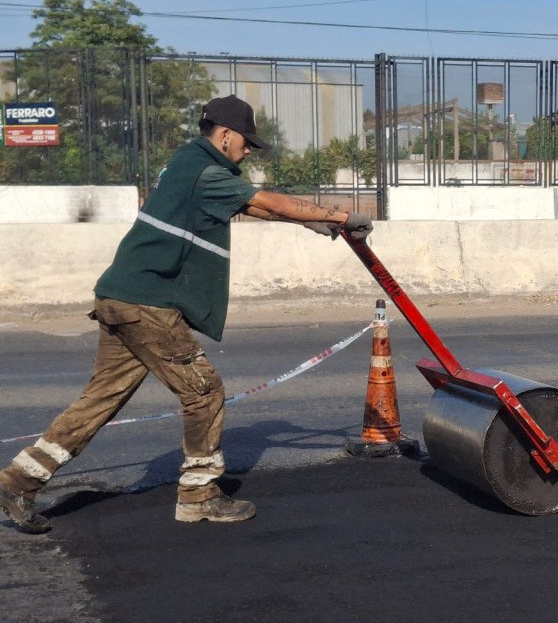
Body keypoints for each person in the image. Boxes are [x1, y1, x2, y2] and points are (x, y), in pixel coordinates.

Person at [0, 95, 373, 534]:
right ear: (226, 135)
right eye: (247, 142)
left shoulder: (187, 164)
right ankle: (200, 496)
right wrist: (340, 215)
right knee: (204, 392)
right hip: (148, 303)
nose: (249, 150)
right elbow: (267, 202)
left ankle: (17, 482)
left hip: (122, 295)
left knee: (100, 400)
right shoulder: (207, 169)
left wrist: (309, 222)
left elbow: (248, 205)